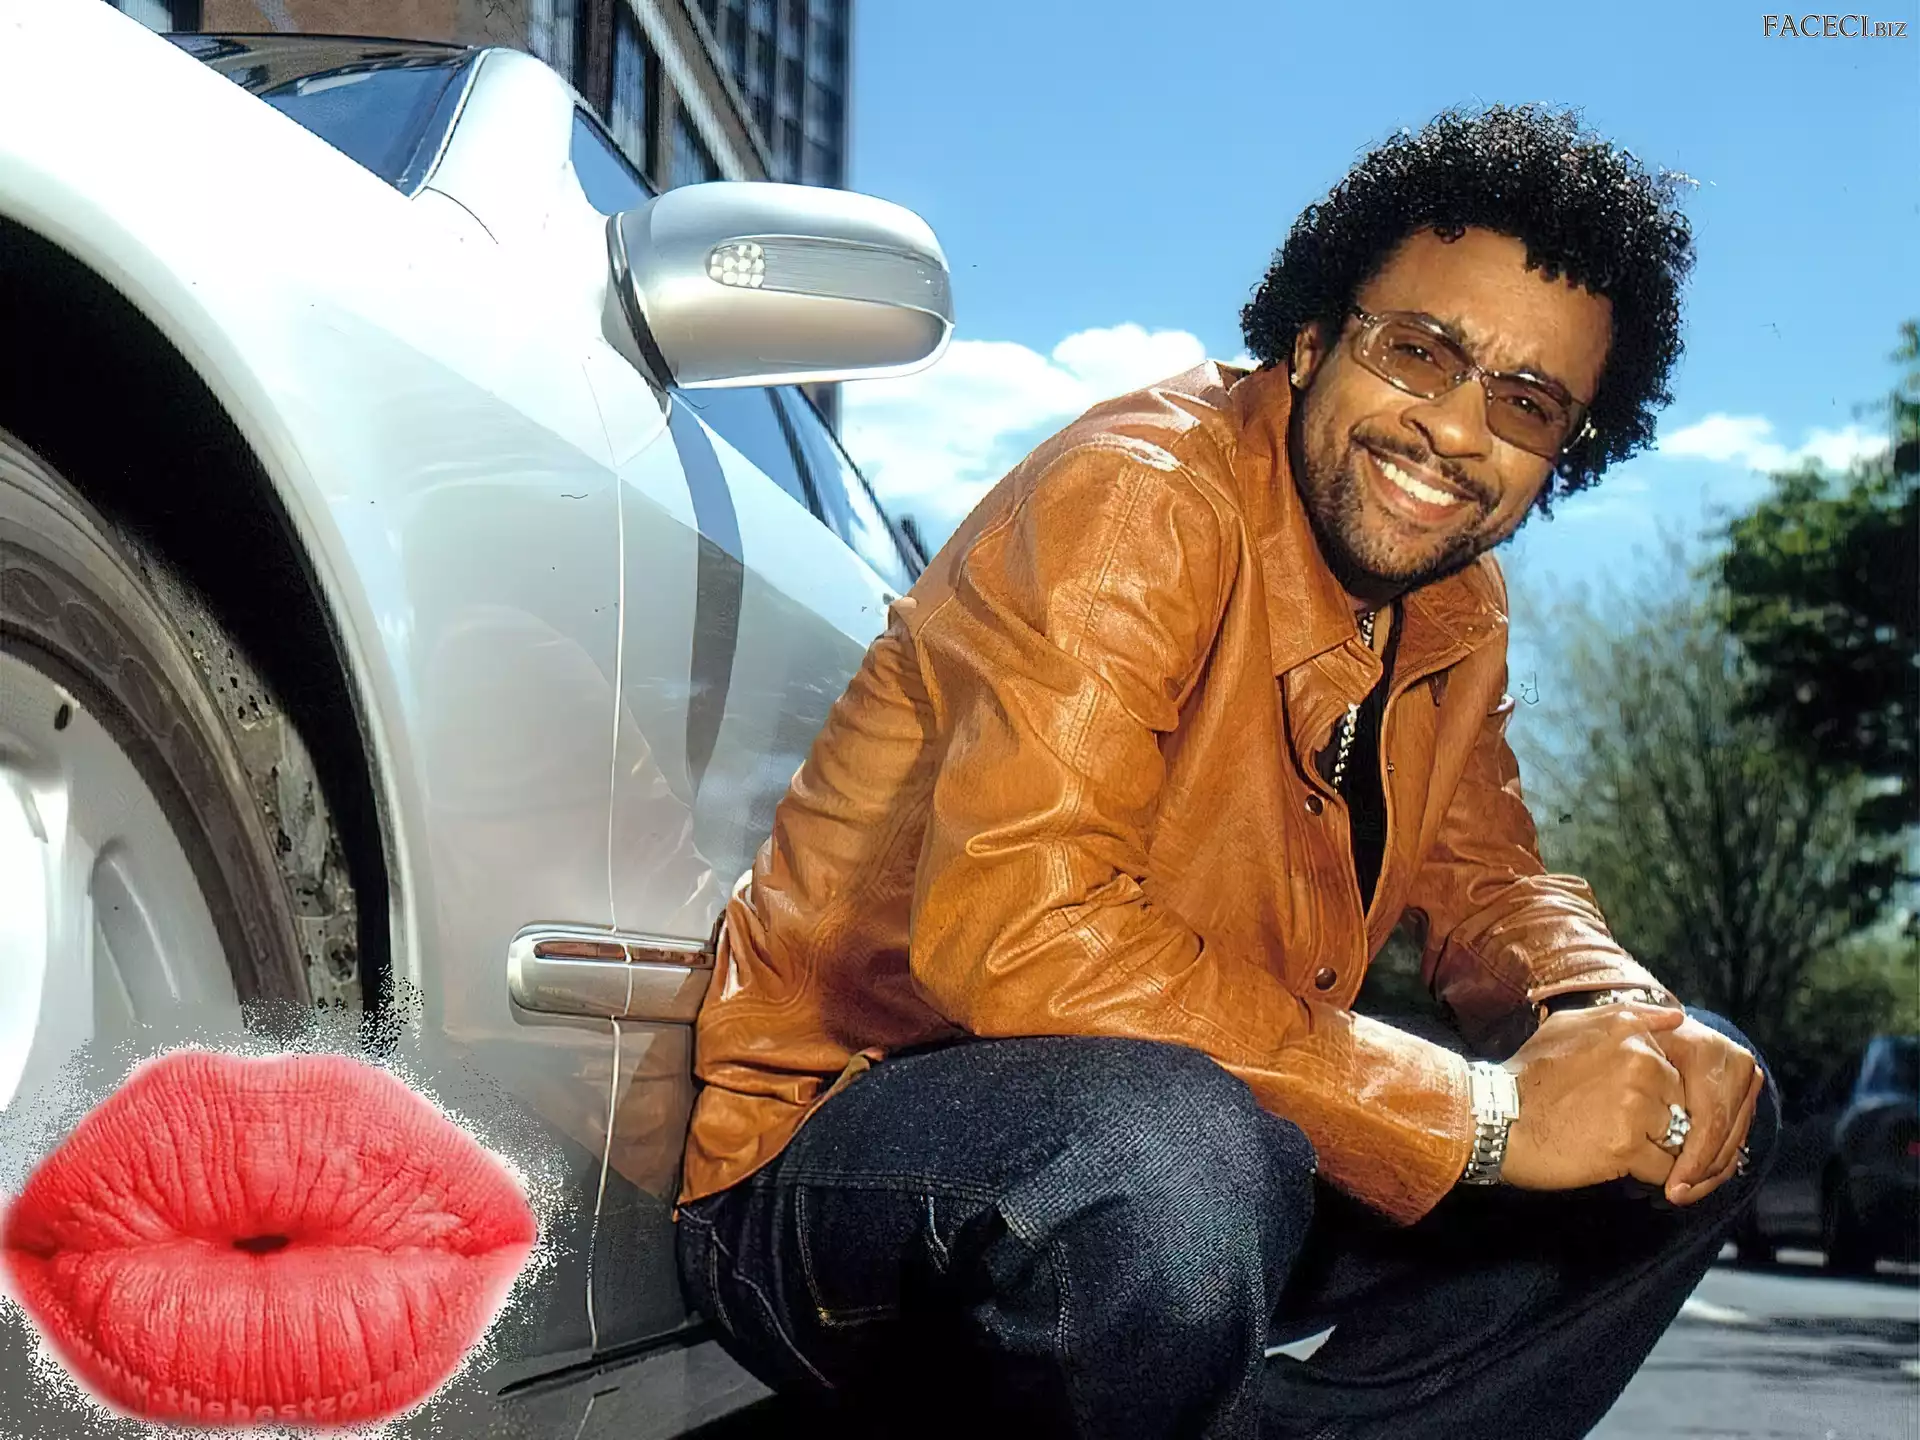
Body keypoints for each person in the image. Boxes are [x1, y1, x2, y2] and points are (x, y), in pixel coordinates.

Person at [673, 104, 1778, 1439]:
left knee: (1695, 1111)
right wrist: (1484, 1115)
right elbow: (1024, 937)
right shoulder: (1140, 497)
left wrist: (1622, 1018)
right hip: (855, 1156)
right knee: (1176, 1157)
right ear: (1311, 340)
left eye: (1527, 403)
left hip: (1217, 1142)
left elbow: (1490, 888)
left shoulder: (1451, 606)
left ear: (1566, 450)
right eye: (1420, 352)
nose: (1454, 430)